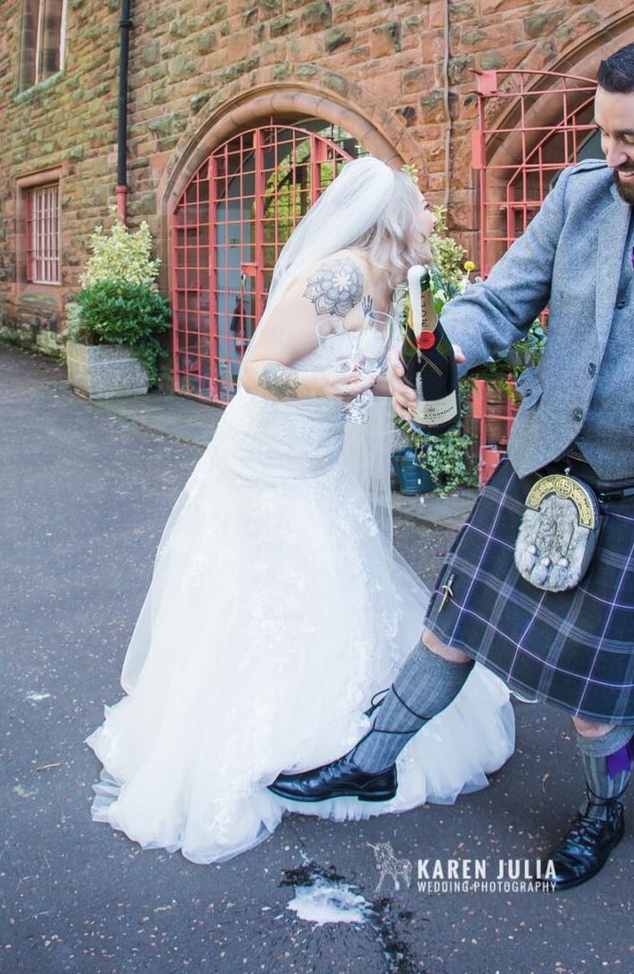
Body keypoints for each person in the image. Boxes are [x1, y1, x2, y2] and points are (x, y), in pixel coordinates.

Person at [269, 39, 634, 890]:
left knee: (596, 694)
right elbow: (499, 301)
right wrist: (436, 353)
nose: (613, 155)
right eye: (604, 134)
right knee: (454, 617)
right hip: (545, 458)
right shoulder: (579, 196)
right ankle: (373, 758)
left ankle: (603, 807)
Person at [86, 157, 514, 865]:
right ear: (395, 220)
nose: (436, 218)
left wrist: (386, 388)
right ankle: (270, 740)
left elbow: (362, 368)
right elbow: (254, 372)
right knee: (265, 591)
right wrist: (322, 384)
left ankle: (362, 742)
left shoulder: (396, 285)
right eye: (425, 208)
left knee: (332, 577)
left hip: (315, 464)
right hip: (265, 464)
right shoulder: (338, 275)